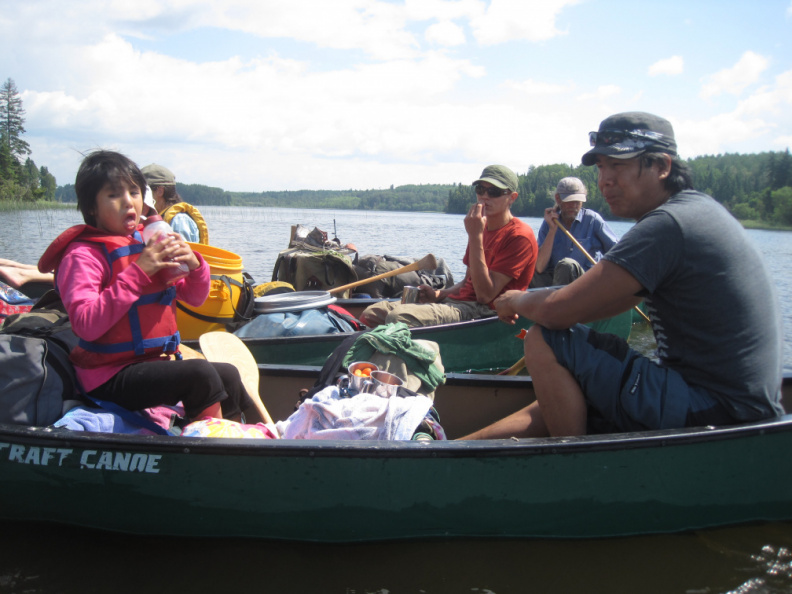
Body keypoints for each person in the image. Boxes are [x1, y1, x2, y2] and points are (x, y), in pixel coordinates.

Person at [463, 112, 783, 439]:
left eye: (619, 165)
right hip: (731, 405)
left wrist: (518, 300)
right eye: (601, 166)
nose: (605, 180)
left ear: (663, 166)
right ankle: (461, 447)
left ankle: (570, 467)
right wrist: (538, 305)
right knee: (570, 382)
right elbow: (594, 303)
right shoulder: (690, 212)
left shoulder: (668, 225)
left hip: (714, 409)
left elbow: (557, 312)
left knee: (545, 340)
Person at [37, 150, 258, 424]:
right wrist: (140, 271)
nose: (129, 202)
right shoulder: (83, 256)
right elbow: (85, 324)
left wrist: (195, 265)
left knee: (228, 374)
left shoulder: (146, 242)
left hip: (151, 364)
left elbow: (195, 298)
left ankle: (237, 440)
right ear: (92, 207)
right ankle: (214, 448)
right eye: (114, 195)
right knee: (200, 374)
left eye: (134, 192)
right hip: (106, 376)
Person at [359, 164, 537, 328]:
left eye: (494, 192)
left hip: (484, 310)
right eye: (480, 189)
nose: (485, 196)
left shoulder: (519, 236)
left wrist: (475, 235)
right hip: (458, 302)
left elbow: (485, 295)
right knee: (372, 313)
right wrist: (439, 294)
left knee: (399, 317)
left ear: (512, 198)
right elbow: (468, 282)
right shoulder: (482, 228)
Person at [530, 177, 619, 287]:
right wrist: (552, 230)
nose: (574, 205)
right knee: (527, 269)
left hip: (586, 284)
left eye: (577, 201)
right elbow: (539, 267)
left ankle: (557, 302)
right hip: (556, 282)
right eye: (569, 201)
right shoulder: (550, 222)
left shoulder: (592, 220)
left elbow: (618, 253)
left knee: (567, 265)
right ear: (558, 199)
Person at [141, 163, 209, 244]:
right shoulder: (162, 218)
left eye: (143, 192)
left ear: (160, 191)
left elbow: (181, 254)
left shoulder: (179, 220)